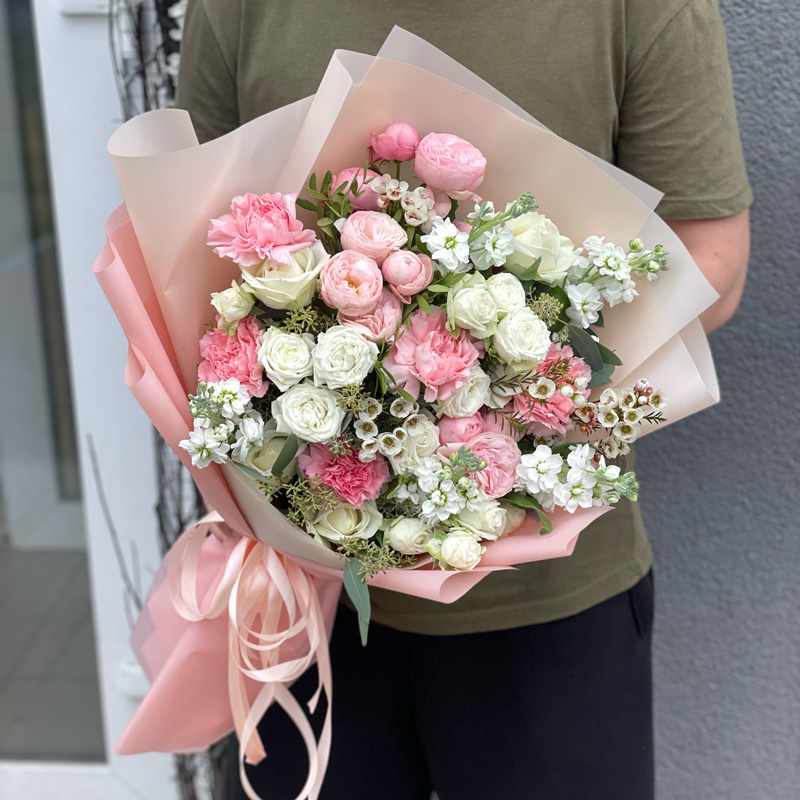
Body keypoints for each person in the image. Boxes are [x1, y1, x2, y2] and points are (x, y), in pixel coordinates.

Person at [176, 2, 751, 797]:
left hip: (547, 601)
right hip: (300, 595)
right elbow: (193, 247)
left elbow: (711, 260)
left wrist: (489, 381)